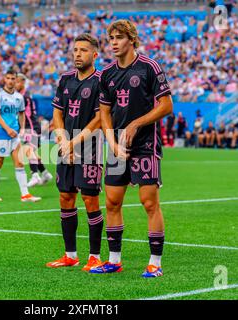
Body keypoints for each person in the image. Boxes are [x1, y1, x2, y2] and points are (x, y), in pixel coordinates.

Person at [92, 20, 173, 277]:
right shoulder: (106, 74)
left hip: (145, 145)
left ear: (131, 39)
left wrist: (136, 123)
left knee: (149, 203)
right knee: (112, 202)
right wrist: (112, 142)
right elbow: (104, 112)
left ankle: (155, 263)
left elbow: (166, 105)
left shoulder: (150, 67)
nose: (114, 42)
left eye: (119, 37)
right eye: (111, 38)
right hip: (117, 147)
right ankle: (114, 260)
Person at [46, 34, 104, 271]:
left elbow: (100, 118)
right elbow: (58, 113)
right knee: (65, 197)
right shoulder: (65, 79)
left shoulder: (102, 80)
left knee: (90, 199)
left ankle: (94, 256)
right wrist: (62, 139)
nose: (78, 54)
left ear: (94, 55)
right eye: (75, 50)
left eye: (83, 50)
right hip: (65, 146)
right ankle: (70, 255)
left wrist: (75, 142)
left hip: (90, 148)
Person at [0, 69, 41, 203]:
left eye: (13, 79)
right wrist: (7, 129)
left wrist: (22, 128)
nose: (11, 81)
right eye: (8, 78)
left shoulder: (19, 97)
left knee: (19, 162)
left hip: (15, 135)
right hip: (1, 133)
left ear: (16, 80)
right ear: (4, 79)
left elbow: (22, 113)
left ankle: (25, 195)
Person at [15, 73, 53, 187]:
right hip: (28, 127)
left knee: (27, 150)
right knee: (33, 153)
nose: (14, 84)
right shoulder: (22, 94)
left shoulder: (23, 96)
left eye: (16, 81)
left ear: (22, 82)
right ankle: (45, 174)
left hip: (31, 127)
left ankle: (35, 175)